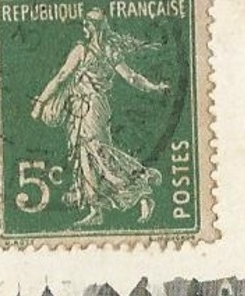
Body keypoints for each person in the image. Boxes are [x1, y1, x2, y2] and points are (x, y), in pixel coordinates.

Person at [31, 9, 169, 228]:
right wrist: (154, 87)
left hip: (88, 108)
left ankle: (141, 190)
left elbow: (61, 77)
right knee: (89, 155)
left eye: (86, 25)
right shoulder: (109, 50)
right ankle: (97, 209)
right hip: (93, 107)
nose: (84, 29)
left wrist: (40, 103)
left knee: (97, 154)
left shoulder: (81, 50)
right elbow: (132, 77)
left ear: (92, 27)